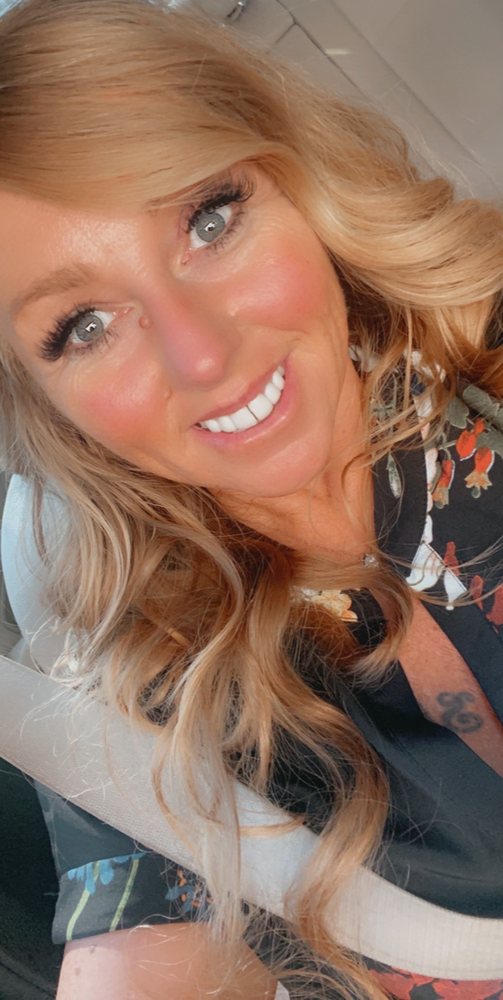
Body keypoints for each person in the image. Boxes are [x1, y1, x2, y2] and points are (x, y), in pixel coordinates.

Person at [0, 0, 502, 997]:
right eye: (84, 324)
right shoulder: (140, 698)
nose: (202, 354)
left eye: (209, 220)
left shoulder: (476, 340)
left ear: (293, 178)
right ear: (44, 405)